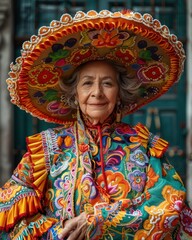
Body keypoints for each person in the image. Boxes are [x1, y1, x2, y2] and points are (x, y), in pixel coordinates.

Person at [0, 9, 192, 240]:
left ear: (120, 93)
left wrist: (102, 221)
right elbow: (10, 211)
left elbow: (171, 207)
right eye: (87, 83)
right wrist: (57, 232)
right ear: (74, 94)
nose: (97, 93)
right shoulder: (46, 149)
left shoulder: (144, 146)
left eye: (107, 83)